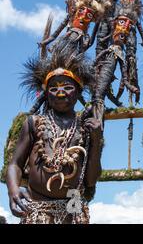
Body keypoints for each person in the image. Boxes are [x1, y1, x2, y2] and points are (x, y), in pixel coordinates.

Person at [6, 44, 103, 224]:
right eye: (53, 88)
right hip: (37, 212)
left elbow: (90, 180)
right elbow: (15, 164)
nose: (60, 93)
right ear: (46, 93)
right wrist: (13, 191)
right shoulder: (34, 123)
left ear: (79, 91)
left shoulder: (87, 128)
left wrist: (96, 140)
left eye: (67, 87)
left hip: (72, 214)